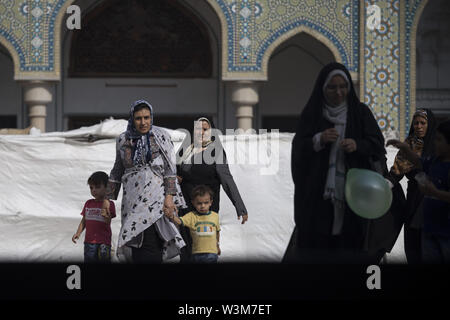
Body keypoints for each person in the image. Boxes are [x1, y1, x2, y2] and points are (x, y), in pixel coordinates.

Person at [287, 62, 403, 264]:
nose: (339, 92)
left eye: (343, 87)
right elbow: (299, 150)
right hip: (319, 198)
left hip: (354, 198)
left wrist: (357, 145)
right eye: (332, 87)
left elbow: (376, 145)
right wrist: (318, 140)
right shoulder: (313, 114)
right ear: (323, 88)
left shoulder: (360, 113)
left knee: (352, 246)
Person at [107, 100, 186, 263]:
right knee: (135, 239)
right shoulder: (123, 140)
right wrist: (108, 199)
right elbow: (117, 169)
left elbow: (170, 169)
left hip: (156, 196)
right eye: (138, 118)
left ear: (151, 117)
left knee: (152, 239)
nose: (143, 122)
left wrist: (169, 197)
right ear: (132, 119)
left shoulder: (161, 136)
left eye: (146, 117)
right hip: (132, 199)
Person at [176, 117, 248, 262]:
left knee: (204, 251)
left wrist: (239, 206)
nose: (201, 132)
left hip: (205, 212)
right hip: (185, 210)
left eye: (205, 129)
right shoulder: (186, 150)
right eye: (198, 129)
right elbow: (173, 172)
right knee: (186, 252)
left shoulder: (216, 152)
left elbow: (227, 179)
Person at [387, 120, 450, 264]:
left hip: (446, 232)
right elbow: (417, 161)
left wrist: (435, 193)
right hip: (430, 228)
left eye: (439, 140)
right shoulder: (434, 162)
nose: (435, 143)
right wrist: (405, 148)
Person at [165, 185, 220, 263]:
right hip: (196, 253)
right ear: (193, 203)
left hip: (212, 253)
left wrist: (217, 246)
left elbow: (217, 232)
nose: (203, 206)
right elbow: (180, 221)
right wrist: (172, 216)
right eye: (199, 203)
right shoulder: (191, 216)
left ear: (211, 202)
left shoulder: (215, 216)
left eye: (206, 202)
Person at [72, 171, 116, 263]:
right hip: (89, 242)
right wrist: (78, 233)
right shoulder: (88, 203)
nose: (94, 190)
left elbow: (108, 222)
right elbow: (84, 220)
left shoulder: (109, 204)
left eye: (97, 187)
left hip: (103, 243)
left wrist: (106, 215)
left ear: (106, 187)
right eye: (91, 188)